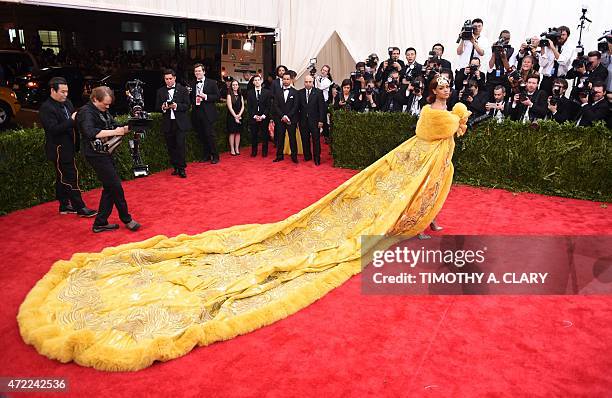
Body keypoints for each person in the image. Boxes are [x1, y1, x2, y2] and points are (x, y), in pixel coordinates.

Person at [19, 74, 471, 372]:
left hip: (431, 165)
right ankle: (99, 216)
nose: (447, 90)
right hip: (422, 157)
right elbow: (445, 128)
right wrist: (460, 115)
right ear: (434, 91)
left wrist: (459, 119)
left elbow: (454, 132)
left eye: (449, 86)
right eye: (443, 86)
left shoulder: (443, 111)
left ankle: (423, 218)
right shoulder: (434, 113)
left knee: (424, 196)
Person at [76, 86, 140, 233]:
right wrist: (115, 131)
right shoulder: (85, 112)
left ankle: (100, 222)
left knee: (110, 188)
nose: (108, 106)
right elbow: (89, 132)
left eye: (109, 104)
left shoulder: (103, 110)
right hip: (95, 154)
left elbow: (114, 125)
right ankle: (127, 219)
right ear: (94, 100)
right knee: (115, 186)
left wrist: (128, 126)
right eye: (105, 104)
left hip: (105, 153)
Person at [39, 77, 96, 217]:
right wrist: (71, 120)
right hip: (58, 149)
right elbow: (53, 130)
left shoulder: (68, 103)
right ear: (53, 90)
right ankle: (80, 208)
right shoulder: (46, 108)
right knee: (70, 176)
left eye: (67, 91)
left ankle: (64, 205)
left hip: (70, 146)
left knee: (62, 177)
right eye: (62, 92)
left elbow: (74, 123)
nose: (65, 94)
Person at [155, 69, 191, 178]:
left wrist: (177, 106)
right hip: (168, 122)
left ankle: (182, 168)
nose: (168, 81)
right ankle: (175, 167)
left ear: (174, 78)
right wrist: (163, 107)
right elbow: (157, 107)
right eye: (166, 79)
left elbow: (187, 106)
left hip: (179, 123)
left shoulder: (183, 90)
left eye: (170, 78)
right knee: (171, 146)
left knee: (180, 145)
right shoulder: (160, 91)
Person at [191, 63, 220, 164]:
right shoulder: (192, 83)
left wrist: (206, 96)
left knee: (210, 135)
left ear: (203, 72)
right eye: (196, 71)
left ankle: (215, 156)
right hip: (197, 112)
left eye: (199, 71)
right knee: (201, 135)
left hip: (208, 113)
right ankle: (206, 155)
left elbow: (217, 96)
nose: (197, 73)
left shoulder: (212, 82)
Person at [297, 75, 326, 165]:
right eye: (306, 82)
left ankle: (317, 158)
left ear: (313, 82)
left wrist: (321, 121)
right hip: (303, 121)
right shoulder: (300, 93)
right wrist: (298, 121)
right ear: (304, 82)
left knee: (316, 140)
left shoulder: (318, 92)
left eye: (310, 82)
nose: (308, 83)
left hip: (315, 121)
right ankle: (307, 156)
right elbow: (297, 108)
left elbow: (322, 108)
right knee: (304, 139)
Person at [272, 72, 299, 163]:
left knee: (292, 138)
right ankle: (279, 156)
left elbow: (296, 107)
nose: (286, 81)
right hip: (280, 119)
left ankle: (294, 157)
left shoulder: (295, 92)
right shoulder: (278, 92)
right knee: (280, 138)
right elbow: (276, 106)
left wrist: (288, 116)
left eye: (288, 79)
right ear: (282, 80)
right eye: (284, 79)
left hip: (291, 119)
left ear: (291, 80)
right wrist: (282, 116)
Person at [246, 75, 272, 157]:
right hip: (254, 118)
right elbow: (249, 107)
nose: (257, 81)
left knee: (264, 135)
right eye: (255, 80)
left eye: (258, 80)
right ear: (253, 82)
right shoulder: (250, 93)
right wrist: (255, 116)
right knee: (254, 135)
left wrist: (263, 116)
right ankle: (254, 152)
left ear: (261, 81)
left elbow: (268, 106)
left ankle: (264, 152)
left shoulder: (267, 92)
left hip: (264, 117)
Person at [225, 80, 244, 156]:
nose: (235, 86)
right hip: (231, 117)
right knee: (232, 133)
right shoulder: (229, 95)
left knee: (238, 133)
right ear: (231, 86)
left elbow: (243, 106)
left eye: (236, 85)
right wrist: (235, 116)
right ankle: (232, 149)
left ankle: (237, 148)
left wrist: (239, 115)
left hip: (240, 116)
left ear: (238, 86)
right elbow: (230, 107)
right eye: (233, 85)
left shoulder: (240, 95)